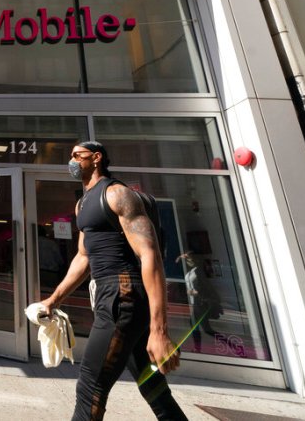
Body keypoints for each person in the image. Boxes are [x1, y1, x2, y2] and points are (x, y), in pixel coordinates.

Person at [40, 141, 187, 421]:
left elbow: (149, 255)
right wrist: (53, 299)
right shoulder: (82, 203)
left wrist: (159, 330)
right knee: (153, 387)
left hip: (124, 292)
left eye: (76, 155)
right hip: (111, 292)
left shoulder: (117, 194)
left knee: (90, 386)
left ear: (96, 158)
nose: (71, 161)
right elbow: (83, 257)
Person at [178, 251, 220, 353]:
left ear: (195, 260)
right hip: (195, 302)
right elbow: (176, 263)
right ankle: (198, 348)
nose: (188, 261)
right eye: (187, 260)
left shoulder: (198, 271)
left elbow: (206, 287)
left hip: (200, 302)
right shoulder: (190, 271)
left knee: (202, 327)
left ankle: (198, 348)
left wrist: (195, 292)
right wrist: (180, 257)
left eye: (190, 259)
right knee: (202, 327)